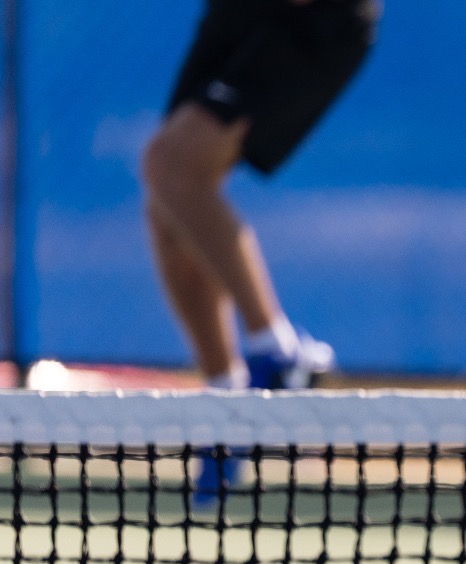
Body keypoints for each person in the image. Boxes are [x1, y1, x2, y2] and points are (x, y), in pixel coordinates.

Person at [143, 0, 378, 396]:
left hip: (310, 16)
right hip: (238, 14)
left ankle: (279, 353)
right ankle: (226, 401)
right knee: (169, 205)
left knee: (173, 166)